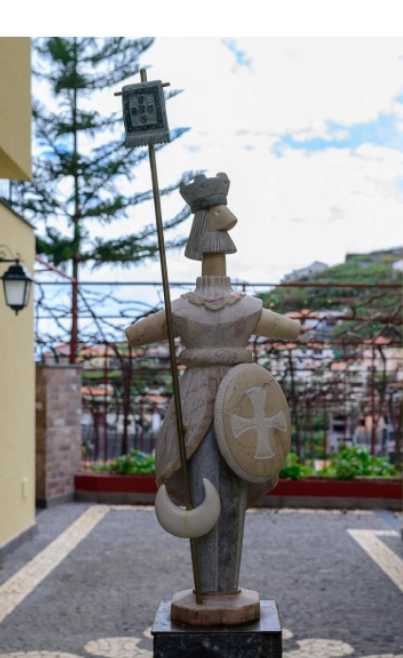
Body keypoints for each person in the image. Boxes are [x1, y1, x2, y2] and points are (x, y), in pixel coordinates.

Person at [125, 172, 300, 624]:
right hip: (200, 408)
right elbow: (137, 334)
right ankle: (215, 587)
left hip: (233, 405)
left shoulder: (224, 308)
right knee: (208, 494)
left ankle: (225, 589)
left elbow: (135, 334)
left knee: (228, 495)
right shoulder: (188, 308)